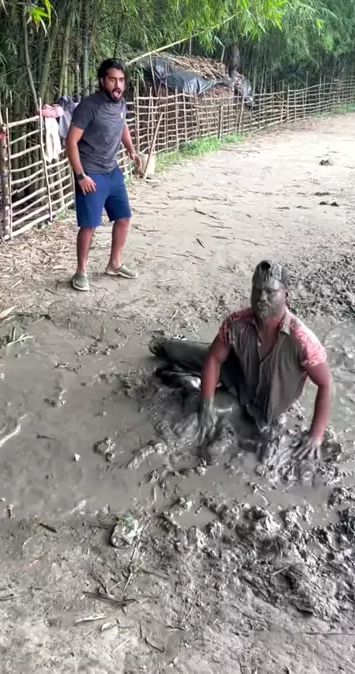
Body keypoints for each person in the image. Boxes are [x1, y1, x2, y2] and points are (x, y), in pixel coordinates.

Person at [150, 260, 332, 459]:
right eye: (257, 290)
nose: (262, 298)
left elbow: (327, 384)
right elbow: (213, 359)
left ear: (286, 295)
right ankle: (170, 345)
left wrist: (316, 434)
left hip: (262, 403)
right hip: (235, 370)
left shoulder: (302, 339)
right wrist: (207, 401)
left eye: (270, 292)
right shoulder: (236, 322)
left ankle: (188, 376)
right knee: (174, 350)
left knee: (200, 410)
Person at [65, 58, 141, 291]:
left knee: (124, 217)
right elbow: (71, 141)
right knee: (89, 225)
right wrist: (80, 176)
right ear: (102, 81)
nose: (118, 85)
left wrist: (131, 150)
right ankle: (81, 272)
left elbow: (122, 125)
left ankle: (114, 264)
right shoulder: (89, 106)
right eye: (112, 80)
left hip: (111, 170)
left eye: (121, 80)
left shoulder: (121, 103)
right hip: (91, 173)